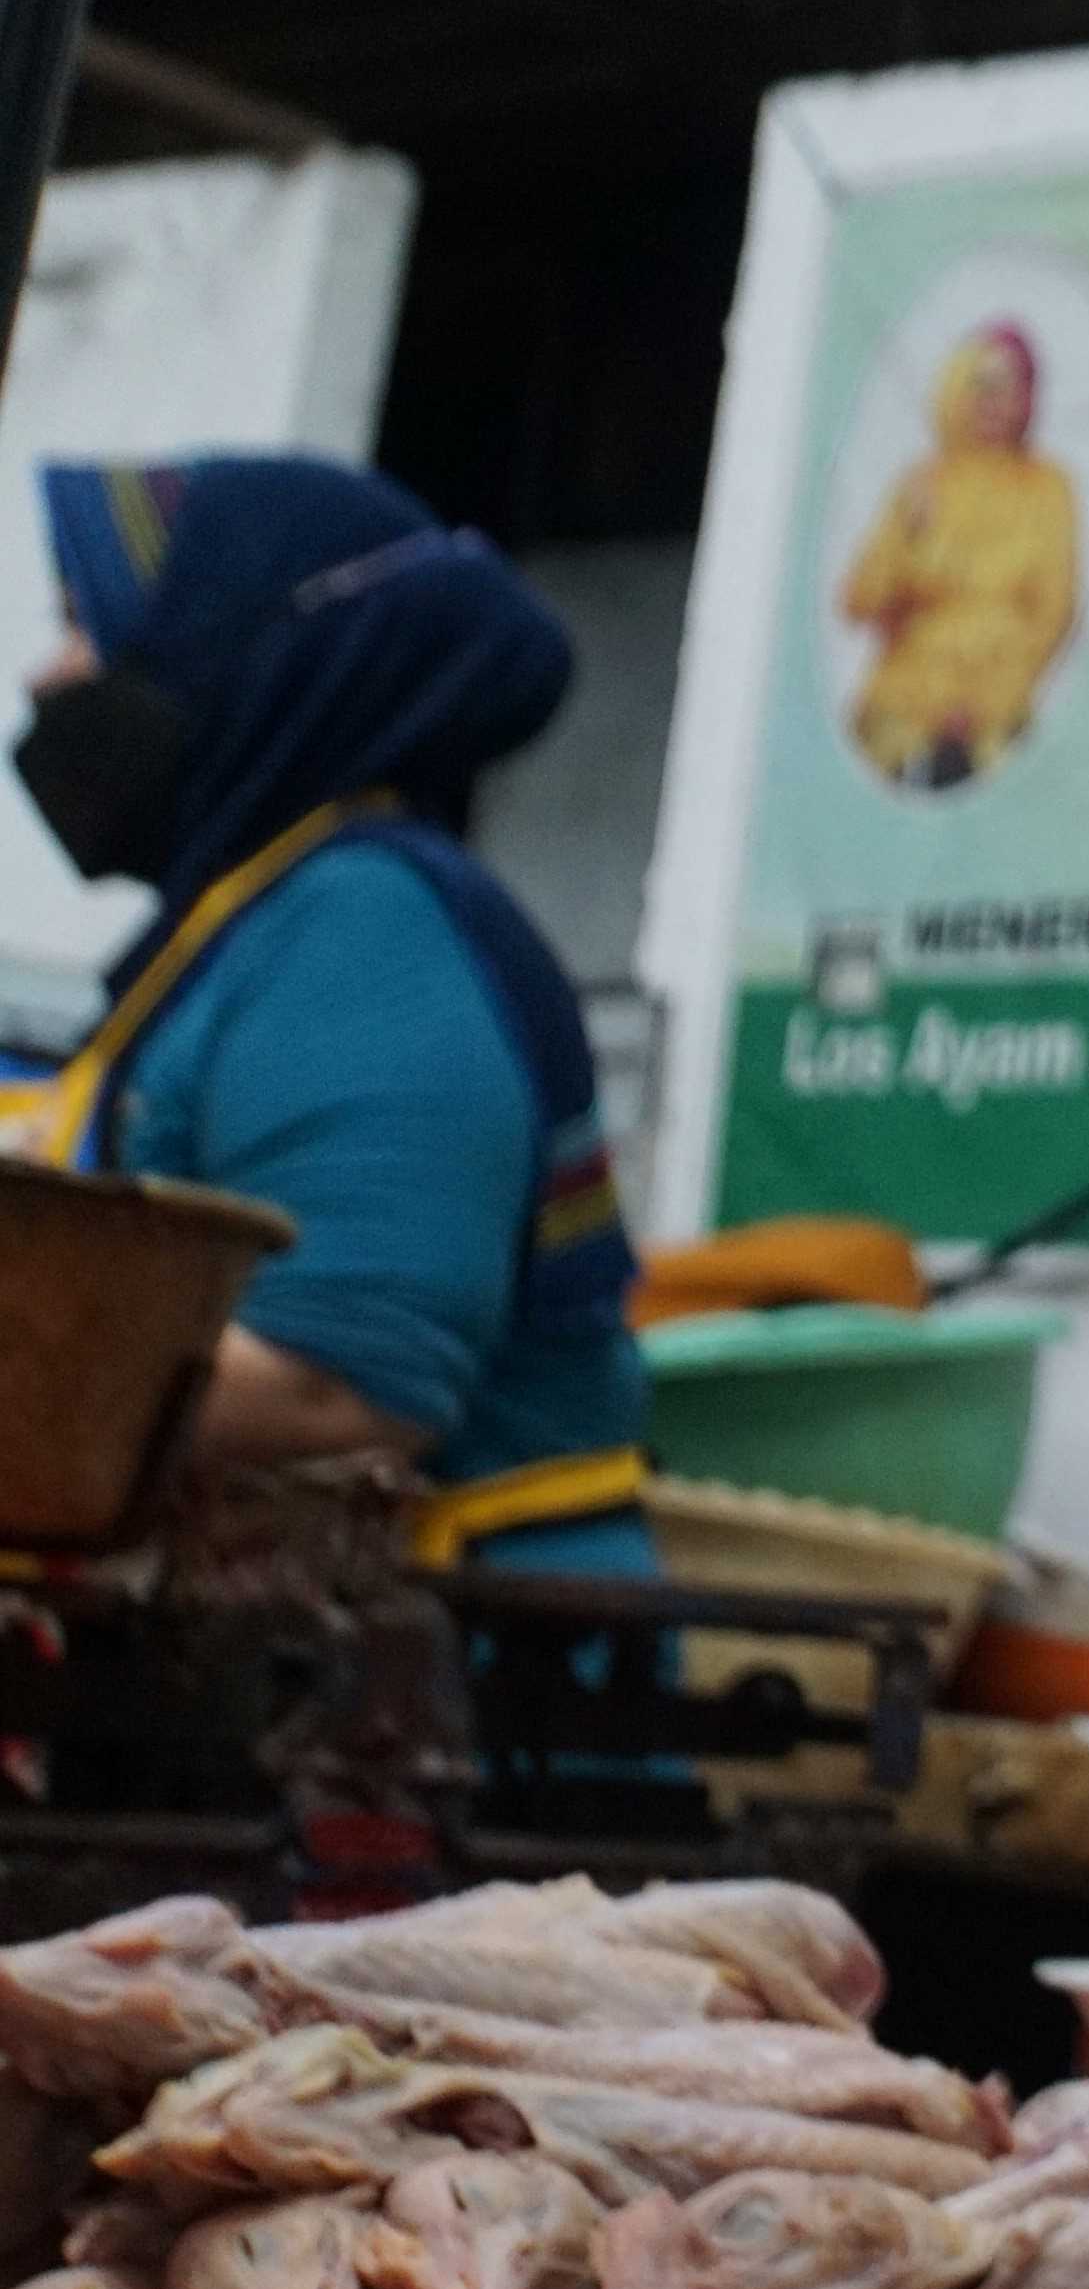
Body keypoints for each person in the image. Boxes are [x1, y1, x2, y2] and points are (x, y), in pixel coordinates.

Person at [8, 454, 655, 1574]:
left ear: (228, 655)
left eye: (87, 626)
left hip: (435, 1718)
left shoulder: (367, 931)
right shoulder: (244, 928)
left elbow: (336, 1393)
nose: (46, 674)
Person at [837, 320, 1080, 792]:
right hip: (905, 697)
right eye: (983, 384)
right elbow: (860, 602)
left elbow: (1053, 614)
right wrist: (908, 533)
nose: (997, 401)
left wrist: (984, 705)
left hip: (993, 707)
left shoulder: (1047, 487)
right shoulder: (923, 481)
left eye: (1015, 388)